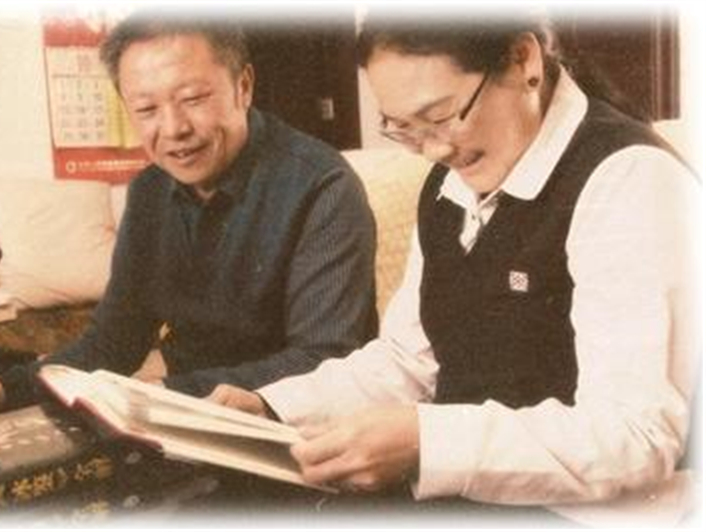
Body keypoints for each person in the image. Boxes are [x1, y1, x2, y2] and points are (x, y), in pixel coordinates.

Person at [209, 12, 701, 507]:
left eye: (442, 115)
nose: (432, 150)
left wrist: (426, 442)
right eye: (404, 127)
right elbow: (409, 360)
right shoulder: (451, 185)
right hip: (474, 496)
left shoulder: (630, 179)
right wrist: (273, 407)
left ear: (524, 61)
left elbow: (634, 435)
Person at [0, 12, 378, 415]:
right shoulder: (150, 190)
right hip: (186, 413)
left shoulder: (322, 185)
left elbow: (324, 359)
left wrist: (159, 395)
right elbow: (113, 340)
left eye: (193, 98)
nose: (174, 128)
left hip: (299, 421)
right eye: (146, 109)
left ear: (243, 86)